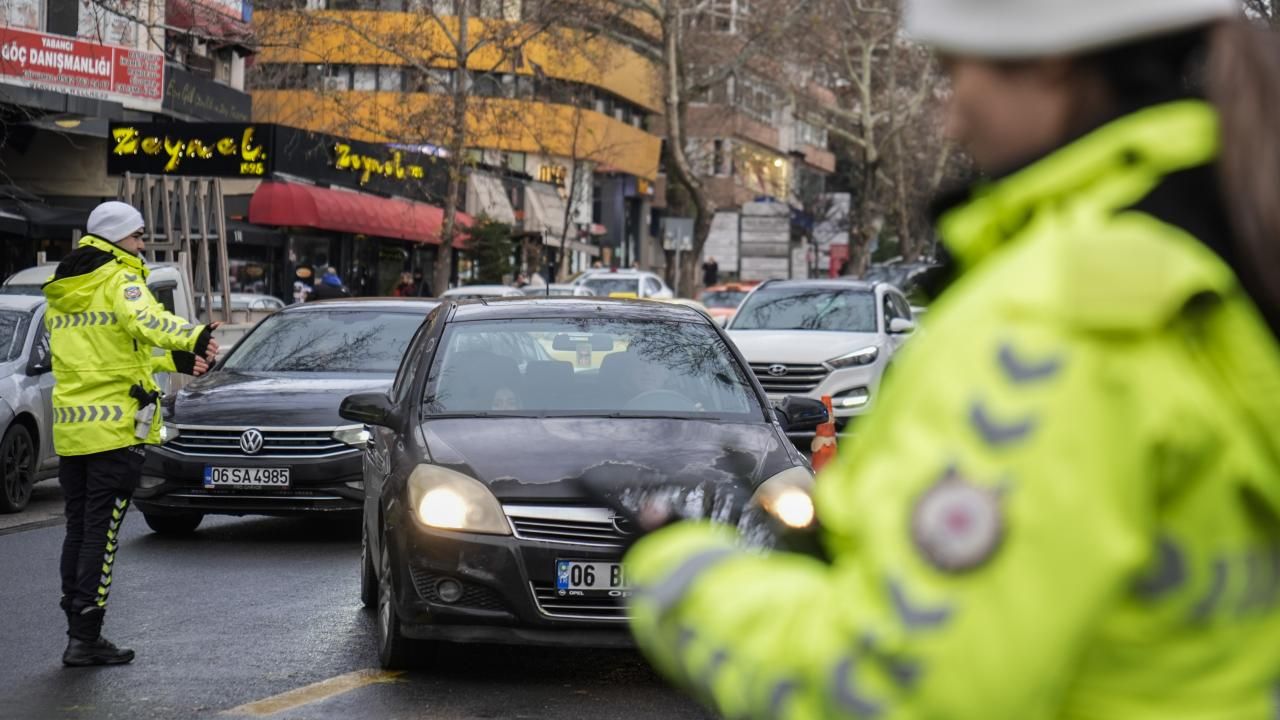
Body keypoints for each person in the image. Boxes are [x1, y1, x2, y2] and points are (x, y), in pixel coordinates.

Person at [620, 2, 1280, 717]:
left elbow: (899, 692)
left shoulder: (1053, 318)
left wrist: (684, 579)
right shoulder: (1205, 256)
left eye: (956, 73)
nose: (951, 120)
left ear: (1050, 66)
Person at [43, 201, 218, 667]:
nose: (142, 244)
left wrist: (174, 361)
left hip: (74, 431)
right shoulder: (120, 278)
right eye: (138, 235)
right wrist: (193, 337)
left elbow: (114, 352)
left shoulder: (67, 286)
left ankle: (76, 626)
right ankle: (85, 637)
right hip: (116, 431)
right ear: (116, 236)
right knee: (101, 536)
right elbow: (147, 322)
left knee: (79, 529)